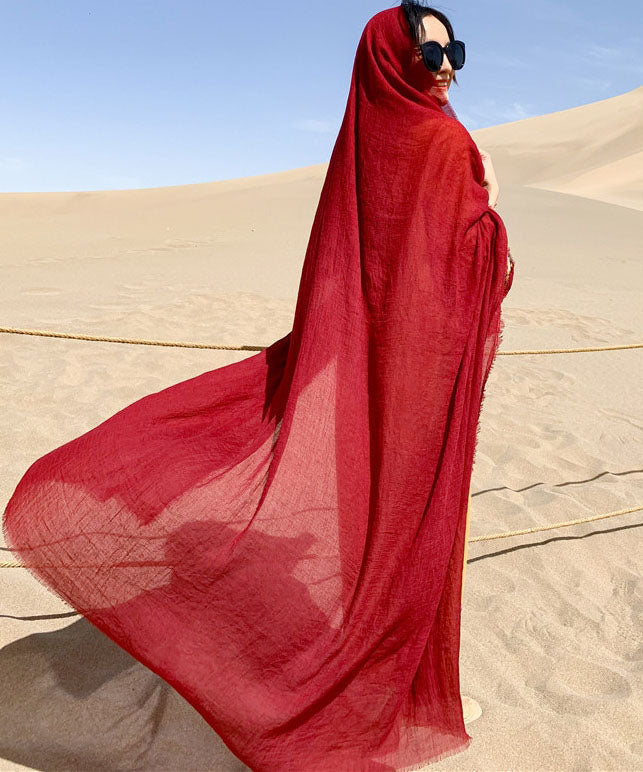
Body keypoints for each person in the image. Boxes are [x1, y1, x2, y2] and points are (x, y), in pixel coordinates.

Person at [3, 2, 514, 769]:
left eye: (454, 53)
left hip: (368, 378)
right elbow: (466, 260)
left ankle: (391, 683)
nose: (443, 67)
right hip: (414, 383)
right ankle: (392, 696)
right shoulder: (442, 142)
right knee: (406, 533)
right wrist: (492, 202)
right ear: (387, 58)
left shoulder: (366, 140)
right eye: (425, 52)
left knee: (375, 535)